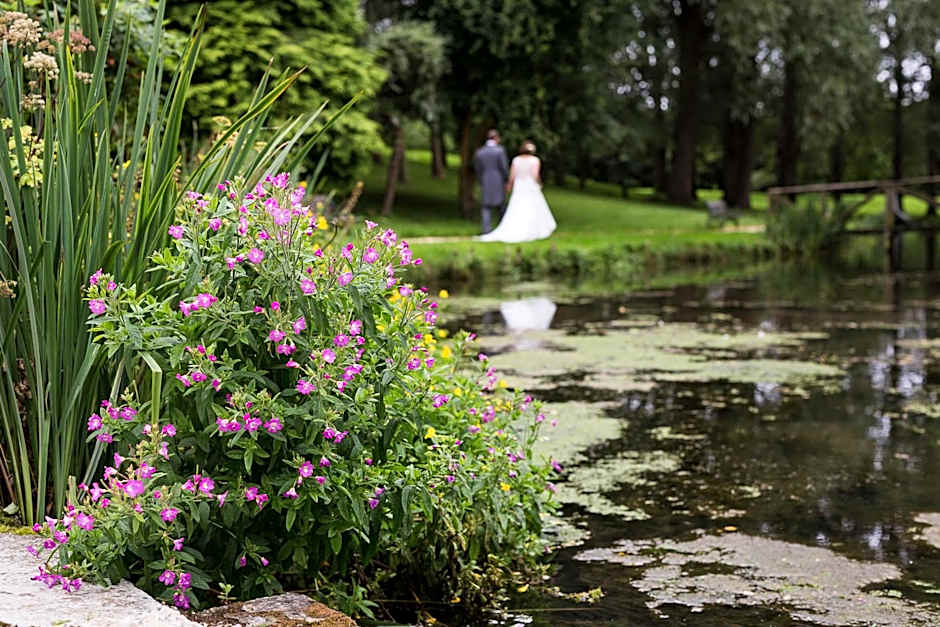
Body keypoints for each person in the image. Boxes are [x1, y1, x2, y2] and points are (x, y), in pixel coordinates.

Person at [478, 140, 556, 243]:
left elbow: (512, 176)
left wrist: (509, 185)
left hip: (519, 186)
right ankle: (532, 228)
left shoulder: (516, 160)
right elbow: (534, 175)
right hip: (529, 186)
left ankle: (513, 227)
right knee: (531, 207)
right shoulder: (535, 160)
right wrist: (539, 183)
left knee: (517, 207)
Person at [473, 129, 509, 234]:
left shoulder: (480, 152)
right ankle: (503, 229)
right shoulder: (500, 151)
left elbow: (478, 169)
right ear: (496, 138)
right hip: (498, 182)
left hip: (485, 181)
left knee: (486, 207)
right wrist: (506, 180)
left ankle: (486, 230)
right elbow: (504, 167)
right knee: (501, 206)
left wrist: (481, 180)